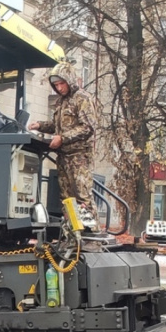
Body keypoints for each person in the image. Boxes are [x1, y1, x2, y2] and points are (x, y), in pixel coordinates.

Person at [26, 62, 101, 228]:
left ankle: (91, 232)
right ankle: (72, 231)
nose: (59, 88)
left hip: (79, 156)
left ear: (70, 80)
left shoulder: (83, 98)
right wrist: (39, 125)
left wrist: (63, 138)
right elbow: (57, 126)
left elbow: (88, 127)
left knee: (82, 195)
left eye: (62, 83)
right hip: (63, 156)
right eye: (56, 85)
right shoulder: (60, 102)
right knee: (66, 198)